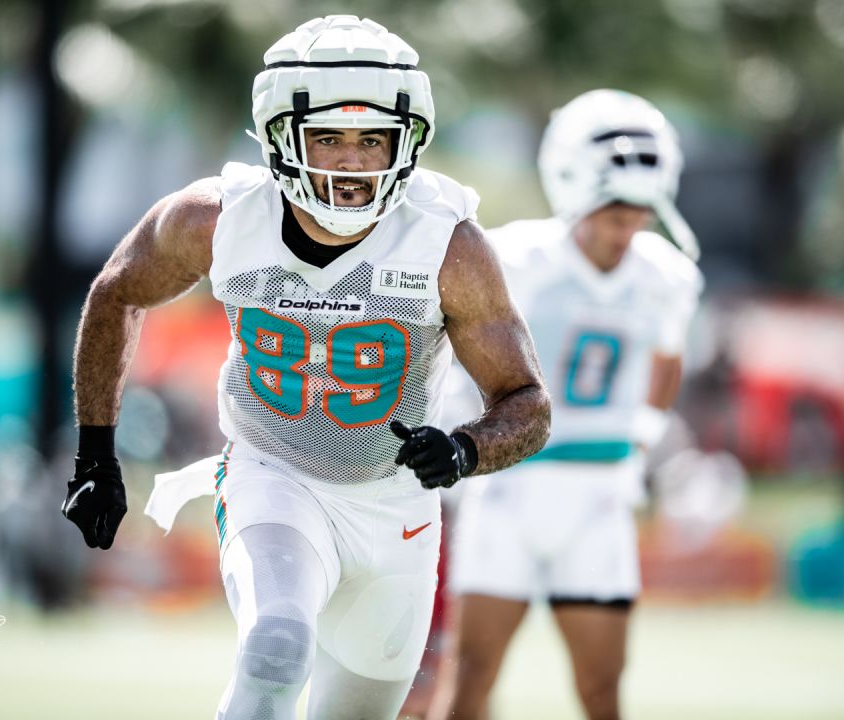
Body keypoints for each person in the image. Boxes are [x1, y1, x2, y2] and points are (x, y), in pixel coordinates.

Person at [60, 15, 551, 719]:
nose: (350, 161)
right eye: (328, 136)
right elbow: (117, 292)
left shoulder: (448, 246)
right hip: (275, 475)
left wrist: (464, 449)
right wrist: (96, 454)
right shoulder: (217, 219)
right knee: (275, 647)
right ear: (281, 136)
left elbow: (527, 401)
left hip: (395, 508)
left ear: (406, 142)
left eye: (372, 139)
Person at [428, 89, 704, 720]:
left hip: (598, 493)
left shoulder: (666, 276)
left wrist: (643, 433)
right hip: (509, 487)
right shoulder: (515, 258)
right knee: (469, 680)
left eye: (640, 213)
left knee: (602, 689)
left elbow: (669, 354)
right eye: (614, 210)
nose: (626, 227)